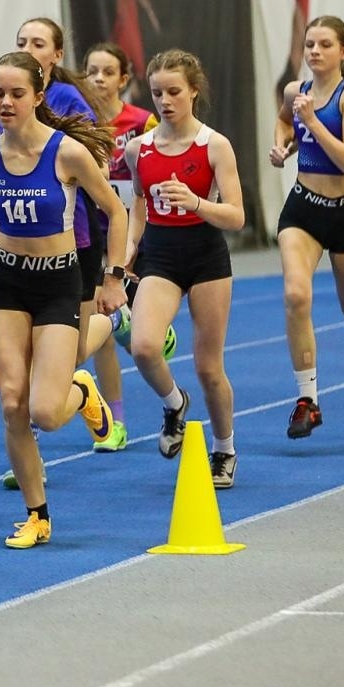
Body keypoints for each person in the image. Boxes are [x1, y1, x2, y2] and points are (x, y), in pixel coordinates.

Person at [0, 51, 127, 548]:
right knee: (12, 404)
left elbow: (115, 213)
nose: (6, 102)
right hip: (9, 284)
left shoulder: (67, 154)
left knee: (47, 413)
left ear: (37, 96)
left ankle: (82, 393)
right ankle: (37, 515)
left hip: (58, 282)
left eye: (16, 94)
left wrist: (114, 276)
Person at [123, 49, 246, 488]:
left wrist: (196, 202)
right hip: (160, 254)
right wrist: (128, 251)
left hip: (206, 254)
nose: (165, 101)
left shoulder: (214, 145)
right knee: (142, 346)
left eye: (174, 91)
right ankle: (174, 403)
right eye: (157, 93)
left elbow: (236, 216)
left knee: (210, 367)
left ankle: (225, 449)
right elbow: (138, 203)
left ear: (194, 91)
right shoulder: (139, 149)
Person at [267, 16, 344, 438]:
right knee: (296, 295)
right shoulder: (296, 92)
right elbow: (283, 119)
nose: (314, 51)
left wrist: (312, 123)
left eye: (325, 44)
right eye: (309, 44)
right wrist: (280, 145)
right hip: (304, 210)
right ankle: (307, 400)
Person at [82, 42, 164, 451]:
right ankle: (115, 421)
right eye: (91, 71)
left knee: (142, 337)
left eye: (106, 72)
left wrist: (138, 236)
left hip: (140, 231)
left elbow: (152, 178)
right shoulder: (76, 123)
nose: (97, 79)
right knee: (102, 322)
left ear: (123, 79)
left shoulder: (143, 122)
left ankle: (148, 325)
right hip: (96, 235)